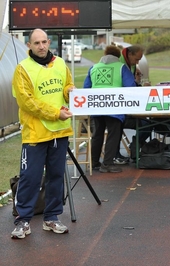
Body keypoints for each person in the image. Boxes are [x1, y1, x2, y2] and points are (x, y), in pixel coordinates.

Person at [11, 28, 74, 239]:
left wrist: (69, 92)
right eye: (36, 43)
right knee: (30, 177)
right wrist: (55, 113)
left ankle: (52, 218)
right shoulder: (22, 69)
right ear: (29, 45)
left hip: (60, 132)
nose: (41, 46)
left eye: (44, 42)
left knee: (56, 177)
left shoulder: (61, 64)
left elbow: (68, 85)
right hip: (35, 134)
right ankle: (23, 221)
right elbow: (26, 102)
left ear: (49, 42)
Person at [84, 45, 136, 172]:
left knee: (97, 135)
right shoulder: (121, 67)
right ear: (118, 56)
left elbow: (86, 88)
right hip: (114, 106)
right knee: (113, 134)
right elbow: (130, 86)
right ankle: (107, 164)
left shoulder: (94, 67)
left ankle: (94, 162)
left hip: (97, 106)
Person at [114, 45, 152, 164]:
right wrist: (138, 86)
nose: (138, 62)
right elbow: (128, 87)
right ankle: (132, 147)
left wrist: (137, 82)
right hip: (119, 108)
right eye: (137, 59)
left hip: (125, 107)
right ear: (129, 54)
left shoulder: (130, 64)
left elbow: (130, 85)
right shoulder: (120, 63)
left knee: (147, 122)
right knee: (147, 123)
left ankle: (134, 146)